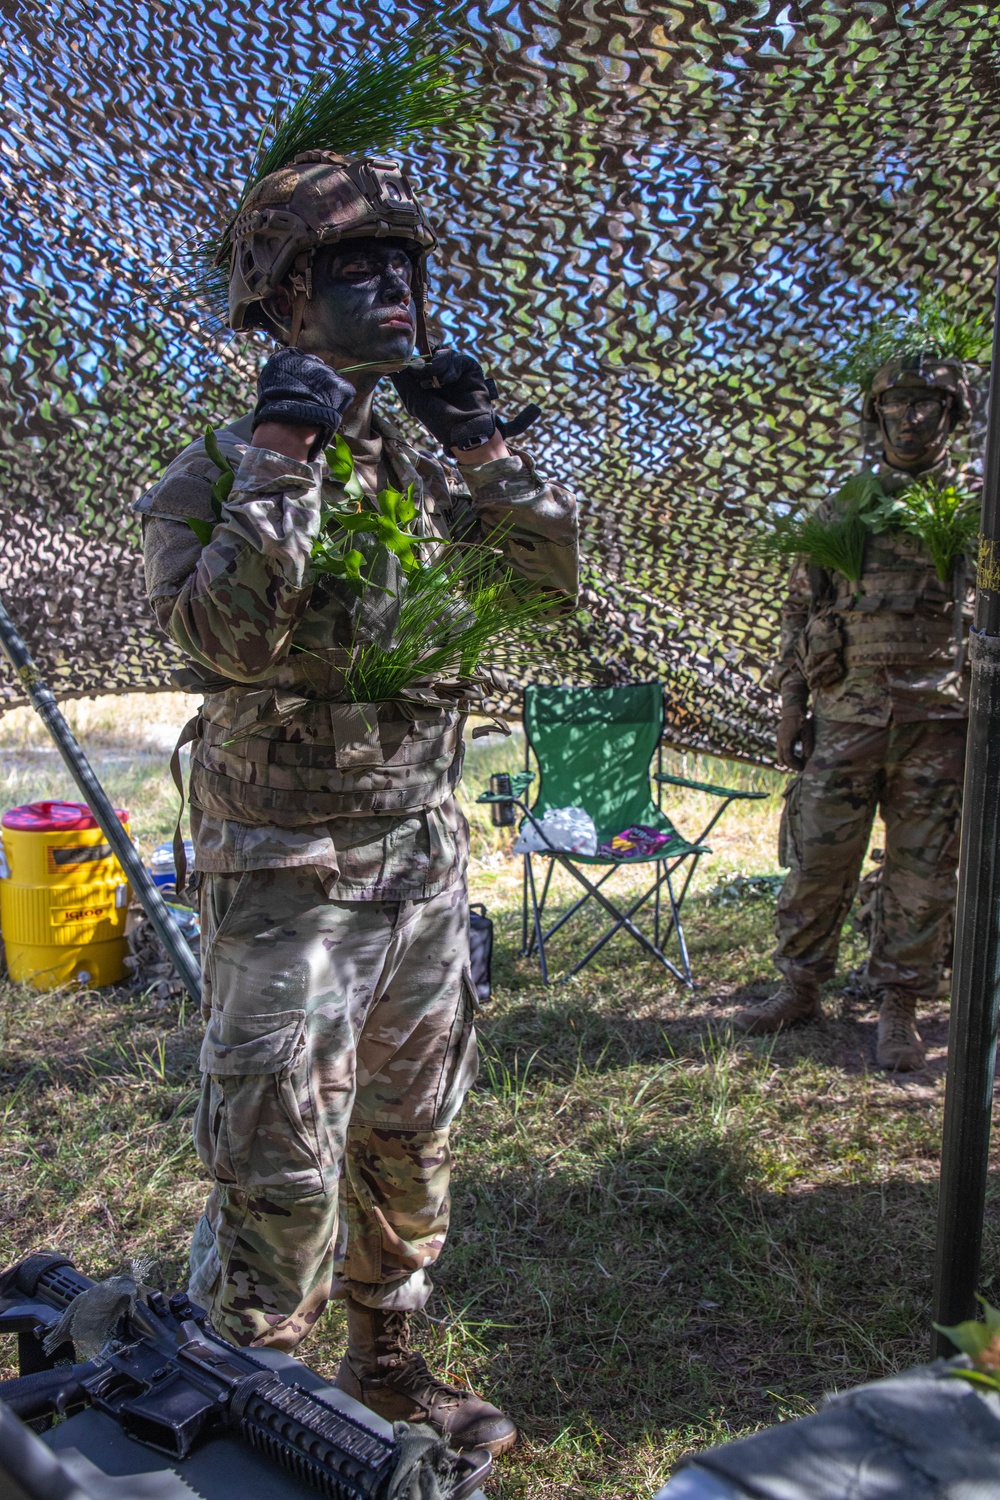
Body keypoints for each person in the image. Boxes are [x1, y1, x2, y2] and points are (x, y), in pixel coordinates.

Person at [135, 145, 578, 1455]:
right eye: (353, 267)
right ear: (280, 302)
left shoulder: (445, 472)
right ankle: (253, 1398)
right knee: (277, 1148)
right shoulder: (213, 471)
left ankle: (385, 1359)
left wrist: (489, 447)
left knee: (410, 1127)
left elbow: (549, 591)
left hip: (419, 855)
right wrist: (285, 445)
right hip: (283, 865)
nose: (394, 285)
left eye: (406, 265)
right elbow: (223, 639)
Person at [735, 351, 974, 1071]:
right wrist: (790, 709)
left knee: (924, 870)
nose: (911, 414)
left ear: (952, 414)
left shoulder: (976, 508)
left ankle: (899, 1002)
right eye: (896, 402)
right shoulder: (844, 507)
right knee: (818, 858)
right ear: (876, 414)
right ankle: (800, 985)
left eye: (928, 401)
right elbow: (801, 613)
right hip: (848, 716)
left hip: (941, 716)